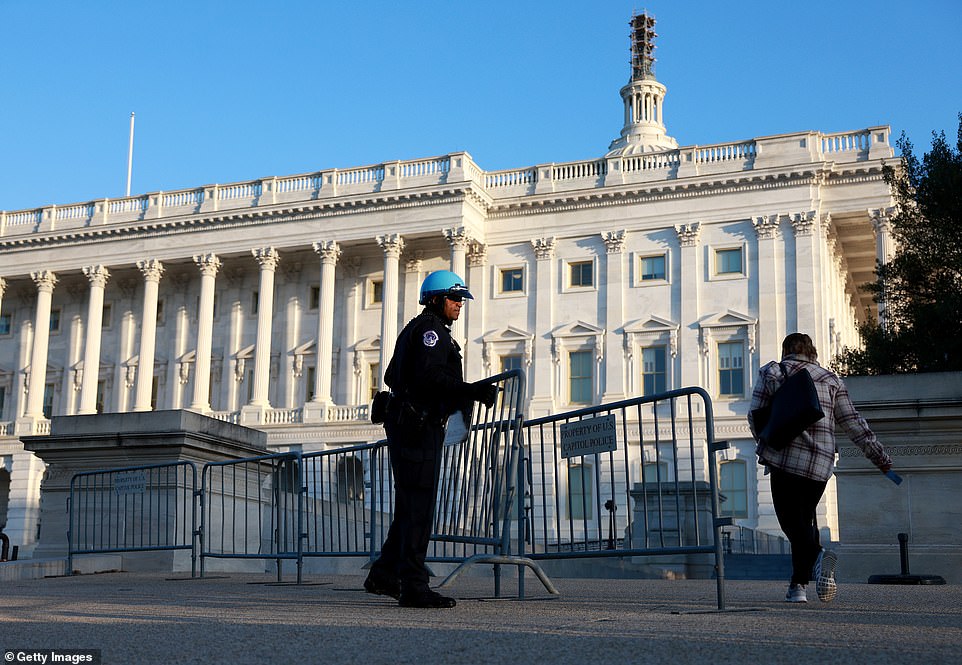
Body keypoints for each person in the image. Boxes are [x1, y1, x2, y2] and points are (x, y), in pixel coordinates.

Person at [363, 270, 498, 608]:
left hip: (414, 424)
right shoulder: (430, 331)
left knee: (410, 507)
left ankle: (384, 574)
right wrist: (470, 390)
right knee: (418, 509)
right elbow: (430, 377)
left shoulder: (425, 329)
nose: (459, 305)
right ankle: (413, 586)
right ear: (436, 299)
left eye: (461, 299)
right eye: (454, 299)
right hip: (416, 426)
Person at [748, 332, 893, 604]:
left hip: (785, 460)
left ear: (785, 351)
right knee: (804, 522)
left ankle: (818, 555)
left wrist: (766, 443)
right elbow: (852, 422)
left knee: (792, 524)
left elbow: (754, 415)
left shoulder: (773, 372)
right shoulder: (830, 379)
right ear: (812, 352)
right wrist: (879, 456)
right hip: (820, 465)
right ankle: (798, 587)